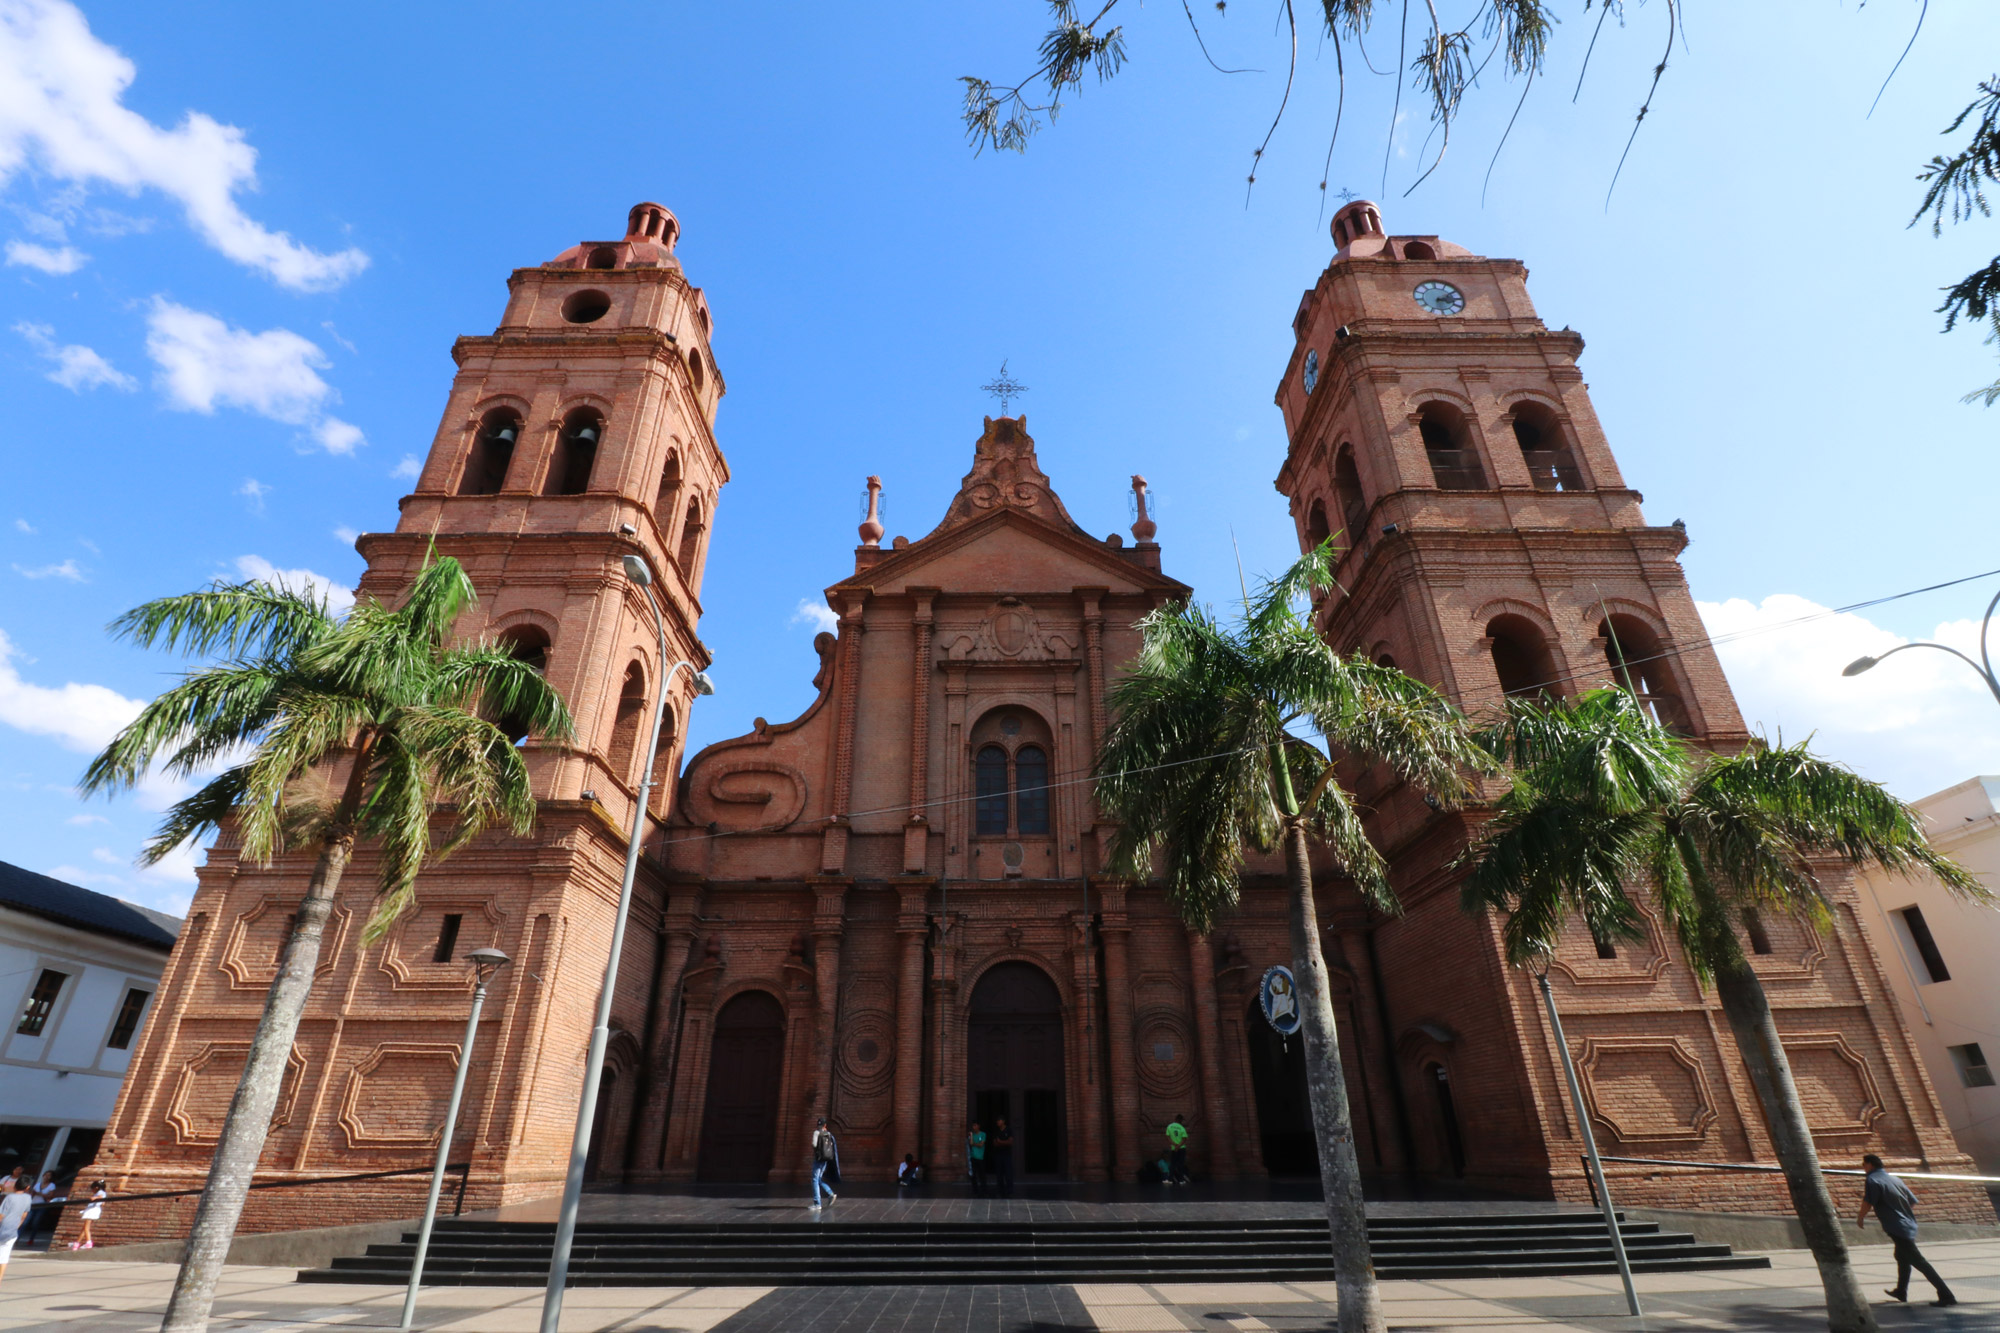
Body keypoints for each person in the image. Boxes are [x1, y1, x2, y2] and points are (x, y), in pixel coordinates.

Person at [1858, 1153, 1956, 1307]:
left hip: (1897, 1227)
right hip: (1907, 1224)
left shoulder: (1872, 1180)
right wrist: (1902, 1213)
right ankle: (1901, 1291)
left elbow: (1868, 1202)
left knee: (1919, 1262)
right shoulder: (1894, 1179)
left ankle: (1946, 1294)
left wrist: (1860, 1217)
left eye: (1863, 1165)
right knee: (1901, 1256)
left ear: (1870, 1164)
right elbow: (1912, 1200)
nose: (1863, 1168)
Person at [0, 1176, 30, 1287]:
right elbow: (24, 1215)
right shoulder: (28, 1198)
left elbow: (1, 1215)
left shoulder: (9, 1198)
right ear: (27, 1187)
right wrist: (17, 1225)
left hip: (3, 1227)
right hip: (13, 1230)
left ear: (15, 1185)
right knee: (4, 1256)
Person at [808, 1117, 839, 1210]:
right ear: (825, 1125)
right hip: (826, 1159)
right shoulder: (829, 1134)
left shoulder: (816, 1133)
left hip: (818, 1158)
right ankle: (830, 1193)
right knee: (818, 1179)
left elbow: (814, 1144)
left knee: (814, 1180)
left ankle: (817, 1203)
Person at [69, 1181, 105, 1251]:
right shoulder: (103, 1193)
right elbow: (103, 1203)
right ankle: (77, 1243)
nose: (92, 1191)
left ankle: (88, 1242)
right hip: (95, 1209)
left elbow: (100, 1197)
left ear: (96, 1187)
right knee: (84, 1228)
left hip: (92, 1210)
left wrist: (94, 1198)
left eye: (92, 1189)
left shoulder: (100, 1192)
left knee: (86, 1228)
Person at [991, 1118, 1016, 1196]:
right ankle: (1000, 1190)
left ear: (1003, 1121)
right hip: (998, 1155)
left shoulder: (1009, 1130)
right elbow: (995, 1143)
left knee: (1008, 1173)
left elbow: (1010, 1142)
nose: (997, 1122)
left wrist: (1000, 1142)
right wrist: (1004, 1142)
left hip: (1007, 1155)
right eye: (997, 1120)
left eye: (999, 1120)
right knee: (999, 1174)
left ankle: (1010, 1191)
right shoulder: (996, 1131)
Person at [1165, 1114, 1191, 1186]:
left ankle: (1169, 1179)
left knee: (1173, 1164)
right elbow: (1184, 1138)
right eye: (1182, 1120)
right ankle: (1181, 1180)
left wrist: (1174, 1145)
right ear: (1180, 1120)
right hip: (1181, 1148)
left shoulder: (1169, 1126)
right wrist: (1178, 1146)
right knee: (1181, 1164)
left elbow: (1168, 1137)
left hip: (1174, 1149)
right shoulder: (1182, 1128)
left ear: (1175, 1119)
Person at [966, 1121, 988, 1194]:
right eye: (973, 1126)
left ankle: (983, 1189)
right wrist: (971, 1136)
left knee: (982, 1175)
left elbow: (981, 1145)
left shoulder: (983, 1134)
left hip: (980, 1157)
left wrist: (975, 1144)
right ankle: (975, 1190)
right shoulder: (972, 1135)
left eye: (975, 1125)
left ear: (978, 1126)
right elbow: (971, 1143)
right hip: (973, 1157)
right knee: (973, 1175)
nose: (973, 1127)